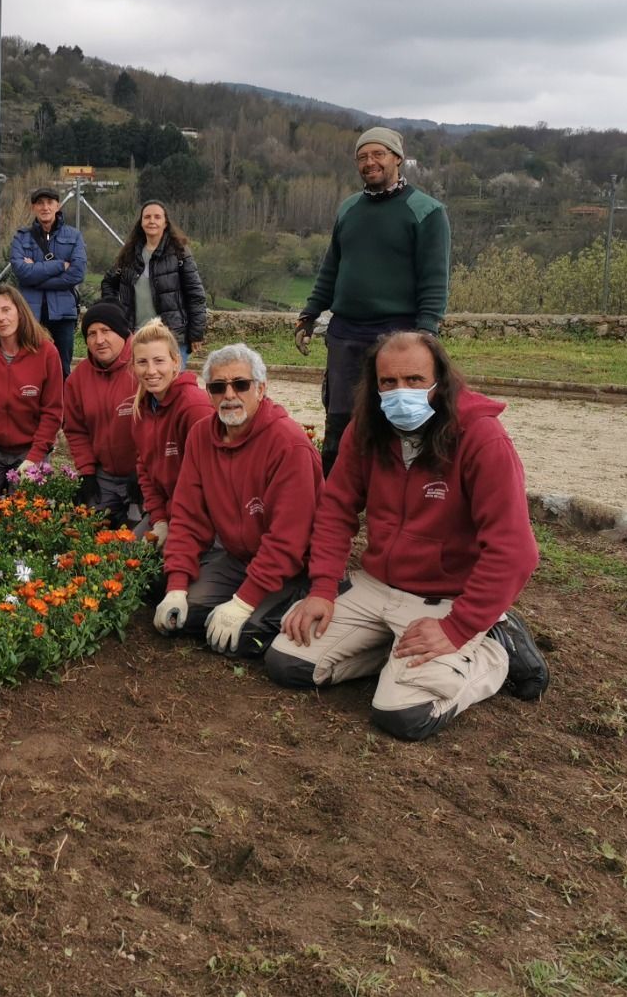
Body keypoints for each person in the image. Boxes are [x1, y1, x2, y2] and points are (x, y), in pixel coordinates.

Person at [266, 331, 549, 741]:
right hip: (377, 586)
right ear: (374, 385)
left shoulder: (482, 439)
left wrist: (458, 627)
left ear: (441, 381)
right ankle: (395, 648)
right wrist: (323, 588)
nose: (401, 392)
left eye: (415, 380)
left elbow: (515, 550)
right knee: (287, 662)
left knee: (403, 714)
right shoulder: (367, 429)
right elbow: (336, 509)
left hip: (447, 598)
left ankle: (494, 644)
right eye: (388, 382)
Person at [294, 127, 450, 476]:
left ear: (397, 158)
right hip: (346, 332)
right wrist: (310, 312)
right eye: (363, 157)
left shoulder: (426, 211)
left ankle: (402, 498)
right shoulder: (349, 208)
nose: (370, 162)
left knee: (401, 420)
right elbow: (331, 267)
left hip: (399, 333)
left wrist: (426, 333)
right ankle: (333, 502)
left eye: (378, 154)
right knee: (340, 423)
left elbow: (434, 279)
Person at [153, 344, 322, 658]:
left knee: (245, 637)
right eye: (218, 387)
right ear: (209, 394)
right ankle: (241, 601)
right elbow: (188, 516)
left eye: (240, 384)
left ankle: (294, 599)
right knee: (182, 615)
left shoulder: (289, 445)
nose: (229, 394)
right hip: (239, 559)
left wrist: (243, 602)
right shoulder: (201, 435)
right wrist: (176, 585)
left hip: (293, 568)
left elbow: (288, 540)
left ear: (261, 389)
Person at [0, 284, 65, 503]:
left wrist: (35, 457)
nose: (1, 318)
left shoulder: (46, 352)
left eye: (6, 310)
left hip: (30, 448)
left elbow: (52, 413)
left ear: (20, 311)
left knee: (23, 508)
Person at [130, 318, 213, 544]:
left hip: (199, 518)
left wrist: (173, 523)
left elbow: (208, 481)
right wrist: (159, 520)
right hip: (164, 513)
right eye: (142, 362)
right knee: (124, 560)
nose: (151, 371)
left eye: (159, 361)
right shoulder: (142, 408)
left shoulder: (194, 407)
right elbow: (144, 468)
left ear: (176, 362)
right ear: (133, 366)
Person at [100, 199, 207, 364]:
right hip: (136, 336)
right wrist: (118, 312)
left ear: (165, 223)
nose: (152, 221)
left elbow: (196, 295)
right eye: (147, 217)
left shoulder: (180, 253)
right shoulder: (129, 254)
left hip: (172, 336)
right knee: (138, 387)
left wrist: (196, 333)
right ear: (141, 223)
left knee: (172, 386)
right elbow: (108, 283)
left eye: (157, 217)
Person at [63, 302, 140, 526]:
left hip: (142, 475)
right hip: (103, 474)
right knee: (87, 530)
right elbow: (75, 430)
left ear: (123, 333)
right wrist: (87, 473)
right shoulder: (77, 380)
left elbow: (158, 426)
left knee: (142, 542)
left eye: (106, 331)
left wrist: (144, 470)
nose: (99, 340)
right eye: (91, 334)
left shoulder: (142, 368)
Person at [9, 186, 86, 376]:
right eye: (40, 203)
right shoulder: (21, 237)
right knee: (28, 366)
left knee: (62, 368)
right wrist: (60, 266)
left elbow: (77, 274)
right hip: (30, 314)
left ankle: (62, 406)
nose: (45, 207)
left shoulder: (74, 236)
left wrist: (36, 275)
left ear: (57, 206)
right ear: (33, 207)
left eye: (50, 203)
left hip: (63, 315)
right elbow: (22, 272)